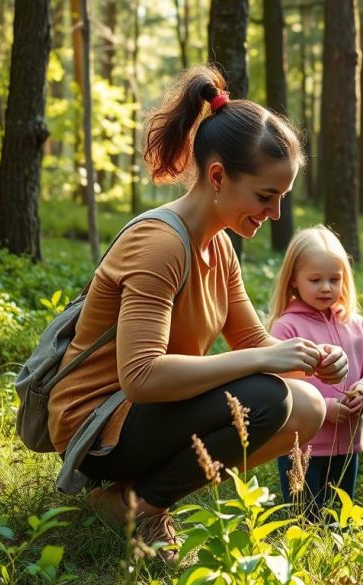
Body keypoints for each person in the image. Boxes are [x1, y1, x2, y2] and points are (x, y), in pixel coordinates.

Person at [47, 65, 345, 562]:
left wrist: (308, 358)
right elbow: (140, 376)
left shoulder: (219, 247)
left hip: (150, 411)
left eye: (282, 199)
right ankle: (135, 505)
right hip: (98, 424)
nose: (274, 214)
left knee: (308, 405)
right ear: (217, 176)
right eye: (265, 197)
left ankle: (135, 499)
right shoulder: (160, 244)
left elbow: (253, 341)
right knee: (268, 397)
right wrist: (262, 364)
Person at [267, 225, 363, 517]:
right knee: (305, 517)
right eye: (315, 280)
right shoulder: (286, 327)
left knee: (340, 516)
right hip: (301, 445)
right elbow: (279, 386)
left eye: (335, 279)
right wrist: (325, 407)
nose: (327, 287)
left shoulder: (354, 323)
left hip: (347, 442)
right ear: (293, 280)